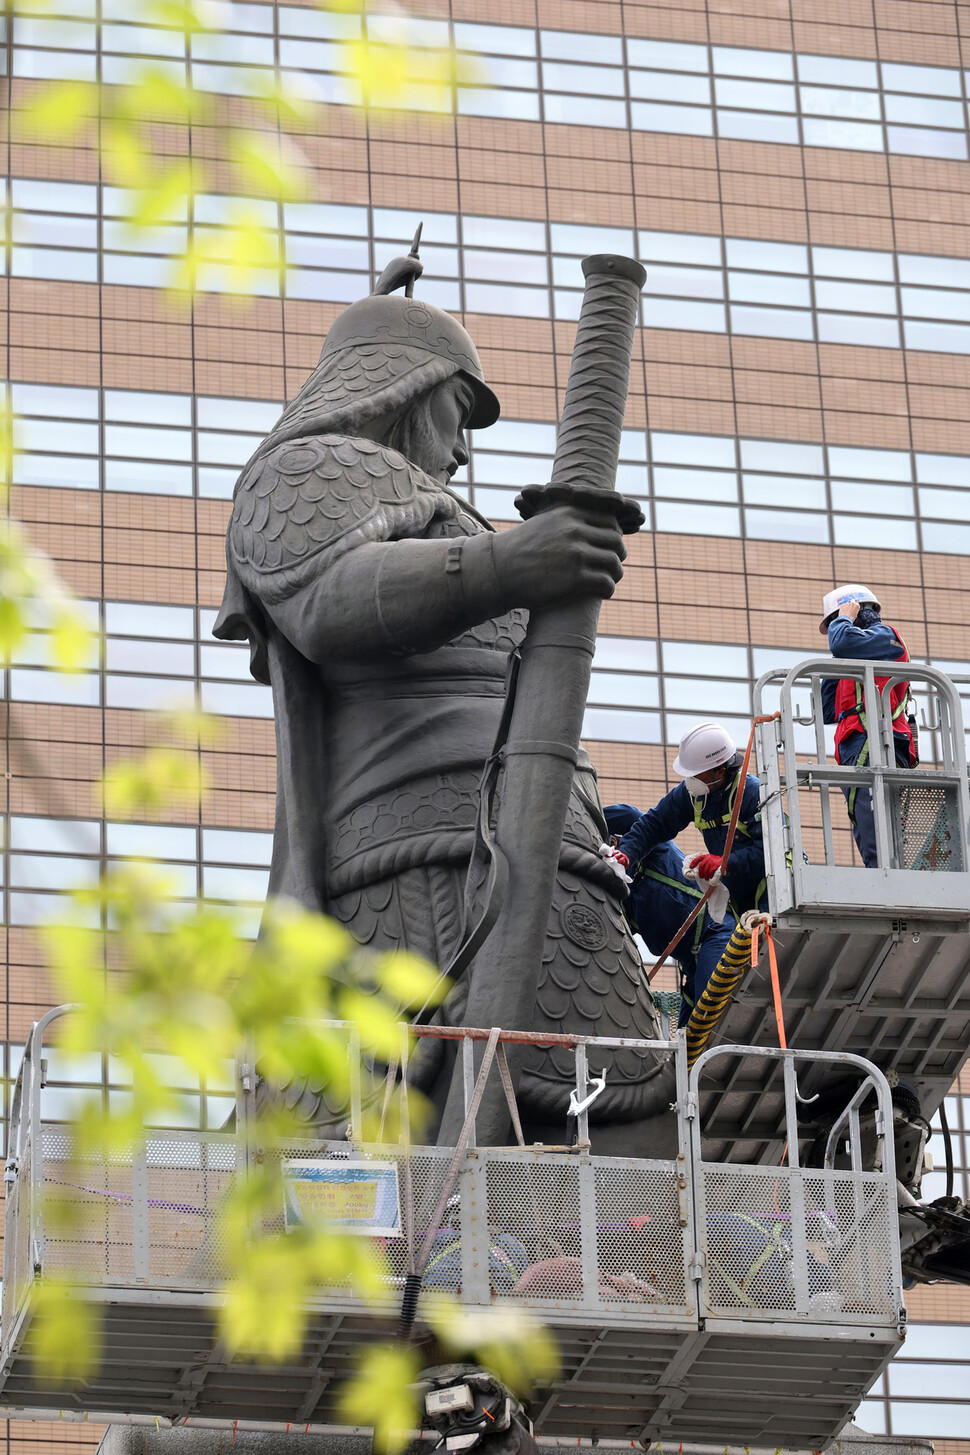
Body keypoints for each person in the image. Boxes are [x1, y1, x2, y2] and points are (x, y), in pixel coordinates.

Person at [212, 242, 664, 1140]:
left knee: (632, 1127)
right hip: (407, 865)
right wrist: (507, 560)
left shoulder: (451, 513)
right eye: (456, 415)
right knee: (395, 1145)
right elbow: (328, 598)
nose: (461, 450)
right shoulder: (309, 468)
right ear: (401, 390)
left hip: (556, 859)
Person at [612, 722, 768, 915]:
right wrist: (626, 853)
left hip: (773, 891)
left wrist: (725, 863)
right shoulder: (693, 794)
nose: (690, 780)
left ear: (720, 770)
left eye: (696, 774)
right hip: (743, 901)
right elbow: (654, 824)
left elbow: (769, 851)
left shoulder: (751, 793)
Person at [605, 804, 737, 1027]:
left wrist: (586, 816)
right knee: (687, 1042)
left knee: (709, 1014)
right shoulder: (620, 895)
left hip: (715, 931)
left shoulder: (652, 847)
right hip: (690, 962)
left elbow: (632, 816)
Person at [819, 583, 916, 868]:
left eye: (837, 619)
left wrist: (844, 623)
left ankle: (887, 878)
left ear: (855, 610)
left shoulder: (886, 637)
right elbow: (828, 709)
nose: (836, 627)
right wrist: (839, 660)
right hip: (855, 745)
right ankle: (879, 874)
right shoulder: (854, 651)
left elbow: (842, 642)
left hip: (880, 742)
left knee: (877, 823)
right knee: (863, 820)